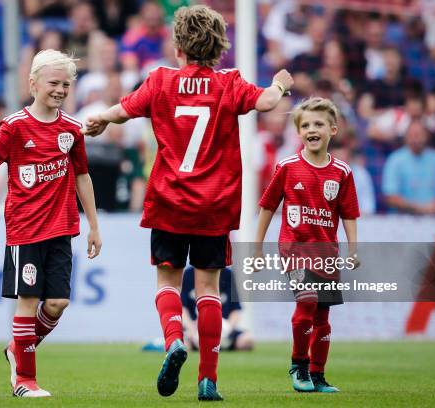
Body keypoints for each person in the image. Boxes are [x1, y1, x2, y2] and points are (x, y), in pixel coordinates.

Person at [83, 5, 293, 401]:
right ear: (218, 47)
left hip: (169, 201)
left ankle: (175, 339)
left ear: (178, 45)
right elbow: (266, 102)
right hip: (214, 205)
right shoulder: (229, 82)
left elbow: (125, 109)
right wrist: (280, 84)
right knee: (209, 287)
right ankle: (208, 379)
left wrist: (102, 119)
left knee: (167, 280)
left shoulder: (160, 80)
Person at [0, 49, 101, 398]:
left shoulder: (72, 129)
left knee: (56, 304)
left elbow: (83, 177)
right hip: (25, 230)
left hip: (63, 229)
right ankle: (25, 381)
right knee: (27, 300)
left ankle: (16, 349)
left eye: (66, 84)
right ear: (33, 82)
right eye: (54, 82)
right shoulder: (14, 126)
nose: (60, 90)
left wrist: (94, 226)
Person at [255, 97, 360, 393]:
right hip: (294, 249)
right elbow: (266, 206)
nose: (312, 130)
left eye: (318, 124)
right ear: (298, 132)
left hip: (326, 252)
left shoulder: (342, 172)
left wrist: (353, 249)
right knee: (307, 301)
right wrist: (257, 246)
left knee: (323, 316)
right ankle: (298, 365)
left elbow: (349, 212)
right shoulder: (287, 167)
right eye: (305, 125)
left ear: (333, 130)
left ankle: (318, 374)